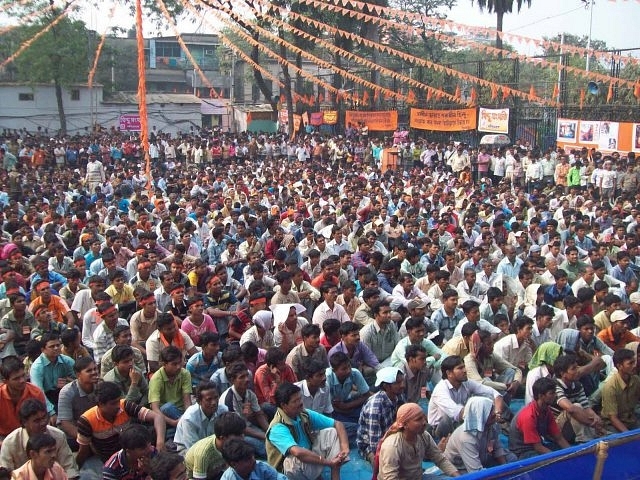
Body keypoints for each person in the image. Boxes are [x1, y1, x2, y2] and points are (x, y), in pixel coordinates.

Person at [265, 382, 350, 480]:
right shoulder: (277, 427)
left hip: (308, 457)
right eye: (295, 401)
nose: (300, 402)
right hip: (286, 472)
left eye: (300, 398)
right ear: (284, 405)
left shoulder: (303, 413)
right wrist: (329, 463)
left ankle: (335, 475)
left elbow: (338, 424)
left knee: (332, 432)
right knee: (293, 461)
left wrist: (345, 448)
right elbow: (298, 453)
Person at [75, 381, 166, 469]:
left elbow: (158, 417)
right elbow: (84, 451)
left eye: (118, 401)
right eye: (113, 403)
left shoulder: (124, 405)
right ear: (101, 404)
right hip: (108, 460)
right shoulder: (86, 420)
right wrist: (76, 469)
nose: (118, 406)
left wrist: (160, 442)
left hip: (132, 454)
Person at [428, 355, 507, 440]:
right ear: (449, 373)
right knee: (447, 418)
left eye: (464, 367)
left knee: (487, 402)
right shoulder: (440, 389)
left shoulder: (466, 383)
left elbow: (494, 393)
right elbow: (457, 413)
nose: (465, 370)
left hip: (461, 422)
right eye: (460, 368)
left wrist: (497, 412)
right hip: (441, 427)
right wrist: (485, 416)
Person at [376, 402, 459, 480]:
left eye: (424, 417)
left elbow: (440, 459)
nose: (424, 422)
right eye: (418, 419)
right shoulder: (392, 446)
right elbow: (390, 478)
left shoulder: (424, 436)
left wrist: (460, 478)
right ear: (405, 425)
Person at [0, 399, 78, 478]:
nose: (43, 423)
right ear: (24, 423)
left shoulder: (58, 436)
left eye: (44, 417)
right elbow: (5, 475)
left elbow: (70, 470)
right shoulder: (10, 443)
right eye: (37, 421)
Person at [444, 396, 516, 473]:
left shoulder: (492, 425)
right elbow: (476, 471)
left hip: (482, 458)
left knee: (512, 459)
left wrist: (505, 467)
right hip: (462, 467)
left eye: (493, 409)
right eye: (490, 411)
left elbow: (497, 448)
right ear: (480, 415)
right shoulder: (466, 439)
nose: (494, 413)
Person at [509, 377, 570, 459]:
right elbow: (538, 447)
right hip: (523, 452)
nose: (555, 395)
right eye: (551, 393)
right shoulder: (528, 416)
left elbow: (559, 438)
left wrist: (572, 452)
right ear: (541, 396)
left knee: (562, 451)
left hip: (537, 445)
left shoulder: (546, 410)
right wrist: (558, 458)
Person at [219, 362, 270, 458]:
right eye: (241, 377)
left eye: (247, 375)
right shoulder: (228, 399)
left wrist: (269, 432)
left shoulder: (249, 394)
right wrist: (264, 436)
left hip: (247, 426)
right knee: (263, 447)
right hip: (234, 433)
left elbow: (259, 415)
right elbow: (239, 428)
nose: (246, 379)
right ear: (232, 380)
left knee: (270, 439)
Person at [551, 354, 604, 444]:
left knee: (587, 412)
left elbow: (586, 407)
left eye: (577, 367)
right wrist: (591, 423)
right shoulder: (555, 386)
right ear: (562, 373)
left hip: (574, 425)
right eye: (573, 369)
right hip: (556, 429)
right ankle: (584, 440)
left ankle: (594, 436)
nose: (577, 371)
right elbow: (570, 408)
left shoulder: (578, 385)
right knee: (575, 407)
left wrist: (596, 418)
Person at [357, 367, 406, 463]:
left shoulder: (398, 396)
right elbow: (375, 444)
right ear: (386, 386)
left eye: (402, 382)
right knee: (382, 463)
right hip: (371, 445)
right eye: (397, 383)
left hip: (392, 436)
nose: (402, 385)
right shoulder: (375, 407)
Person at [184, 412, 247, 480]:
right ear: (223, 438)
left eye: (242, 434)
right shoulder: (203, 454)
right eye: (238, 435)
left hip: (217, 473)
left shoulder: (229, 445)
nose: (242, 437)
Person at [0, 355, 49, 441]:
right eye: (16, 378)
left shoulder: (36, 393)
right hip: (3, 438)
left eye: (23, 375)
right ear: (5, 381)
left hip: (31, 436)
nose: (22, 380)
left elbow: (42, 421)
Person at [148, 345, 192, 433]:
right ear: (164, 364)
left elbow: (187, 401)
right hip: (164, 416)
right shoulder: (156, 379)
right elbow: (155, 409)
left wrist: (187, 416)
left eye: (180, 362)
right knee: (167, 408)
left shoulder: (185, 374)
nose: (179, 366)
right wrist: (174, 422)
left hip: (181, 413)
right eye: (174, 364)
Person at [29, 333, 75, 415]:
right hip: (47, 398)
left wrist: (70, 382)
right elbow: (38, 393)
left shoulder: (67, 361)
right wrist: (51, 412)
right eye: (52, 346)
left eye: (58, 345)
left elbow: (79, 379)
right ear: (43, 349)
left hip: (65, 393)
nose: (56, 348)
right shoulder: (37, 367)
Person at [600, 348, 640, 432]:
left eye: (634, 362)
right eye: (630, 363)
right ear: (619, 366)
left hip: (630, 419)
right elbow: (613, 418)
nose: (634, 365)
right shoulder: (610, 387)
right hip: (612, 424)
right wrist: (629, 435)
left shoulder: (636, 380)